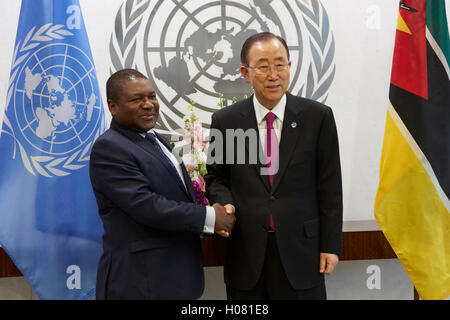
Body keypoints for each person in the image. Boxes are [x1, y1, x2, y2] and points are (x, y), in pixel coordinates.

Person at [205, 32, 343, 300]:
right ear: (246, 73)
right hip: (246, 251)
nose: (273, 74)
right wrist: (224, 201)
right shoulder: (227, 121)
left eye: (280, 64)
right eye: (263, 66)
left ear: (289, 67)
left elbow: (330, 187)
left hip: (303, 250)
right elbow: (217, 177)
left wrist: (331, 245)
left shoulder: (317, 117)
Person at [89, 69, 235, 300]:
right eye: (137, 99)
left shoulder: (156, 140)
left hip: (173, 278)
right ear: (113, 107)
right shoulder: (110, 147)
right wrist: (209, 217)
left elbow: (177, 197)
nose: (148, 104)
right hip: (140, 283)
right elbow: (146, 206)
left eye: (152, 96)